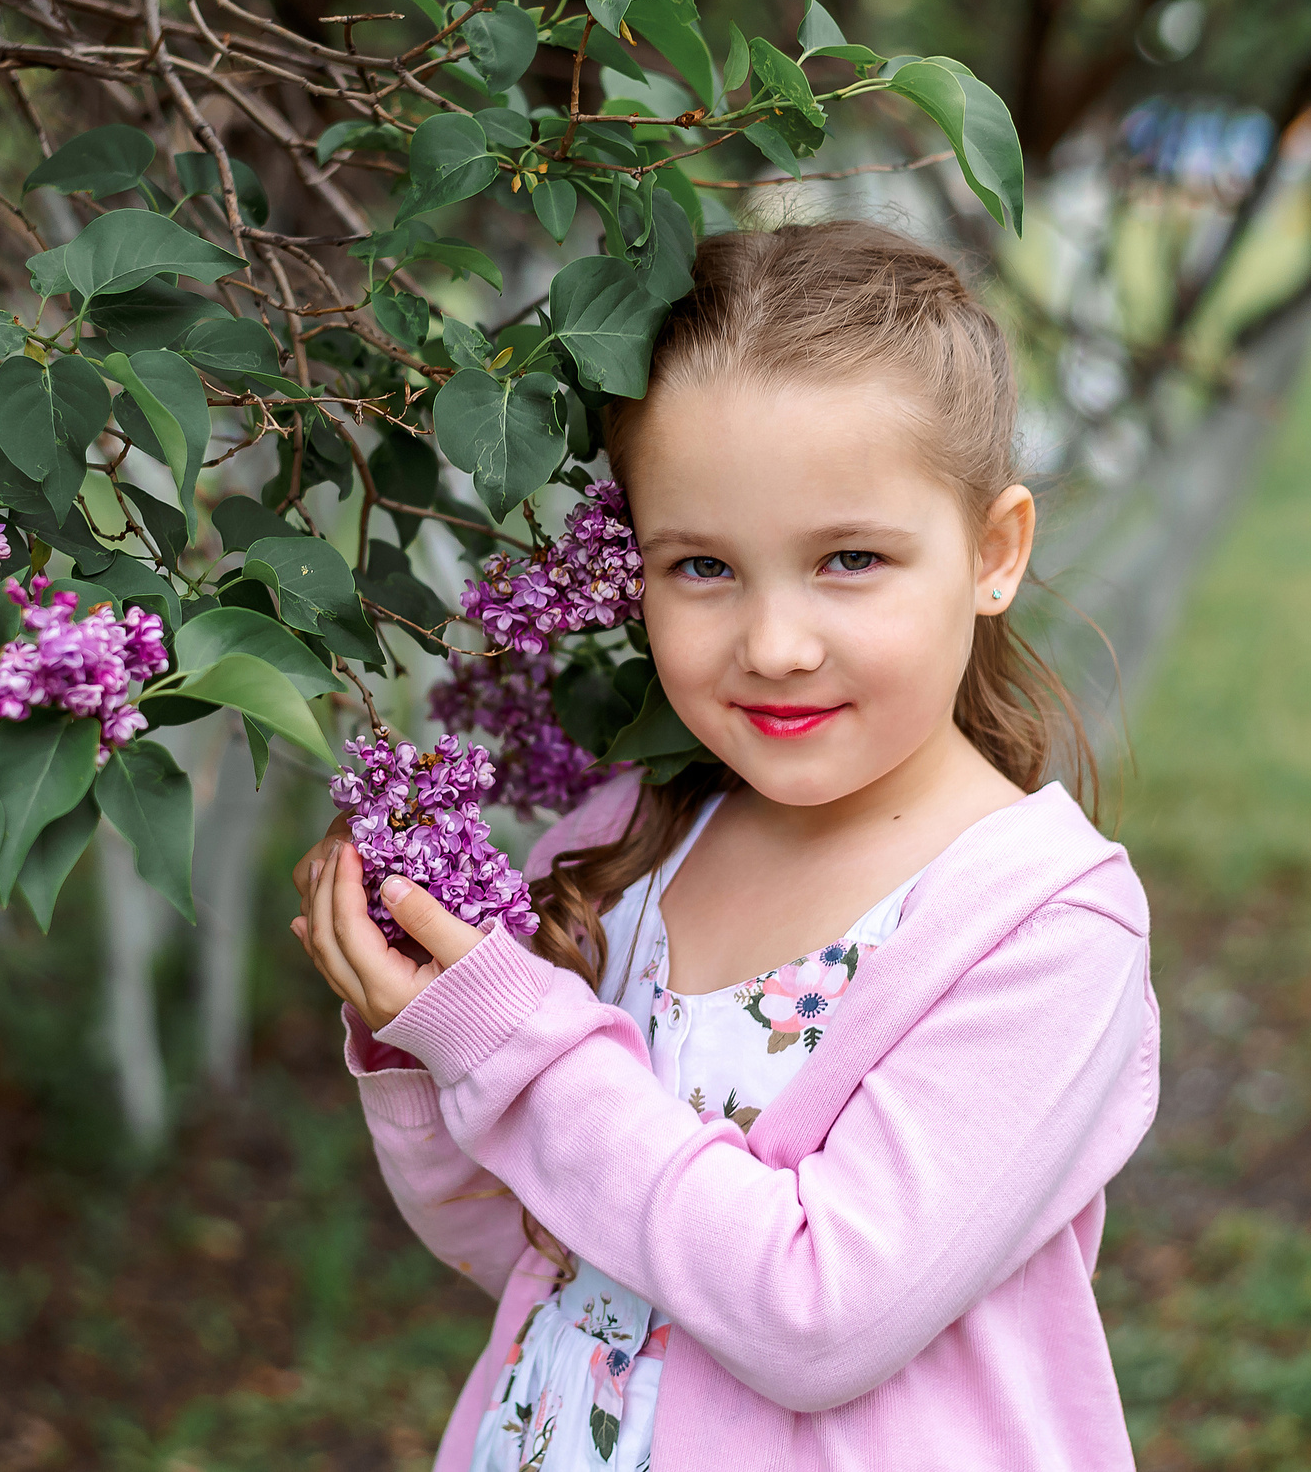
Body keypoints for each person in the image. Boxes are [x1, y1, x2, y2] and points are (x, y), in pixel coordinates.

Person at [291, 221, 1160, 1471]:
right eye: (701, 565)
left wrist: (509, 1040)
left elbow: (818, 1314)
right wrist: (426, 1029)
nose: (775, 642)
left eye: (848, 559)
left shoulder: (1040, 930)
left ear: (992, 551)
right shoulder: (633, 841)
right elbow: (536, 1242)